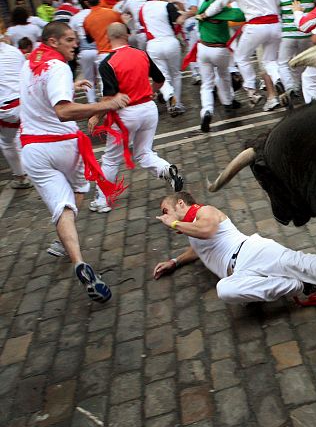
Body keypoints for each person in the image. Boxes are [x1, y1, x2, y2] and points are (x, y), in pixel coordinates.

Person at [19, 22, 130, 303]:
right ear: (53, 41)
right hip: (63, 147)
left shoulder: (32, 60)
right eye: (69, 40)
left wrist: (70, 85)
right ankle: (65, 242)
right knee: (79, 191)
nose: (75, 44)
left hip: (32, 151)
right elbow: (63, 111)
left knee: (61, 206)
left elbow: (40, 90)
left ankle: (78, 260)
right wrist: (106, 105)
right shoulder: (57, 66)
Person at [153, 191, 316, 306]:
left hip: (250, 251)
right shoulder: (189, 229)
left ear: (181, 204)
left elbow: (207, 231)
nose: (164, 217)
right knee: (225, 290)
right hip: (239, 273)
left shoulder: (205, 212)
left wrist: (173, 223)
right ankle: (301, 285)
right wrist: (175, 262)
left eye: (166, 210)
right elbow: (199, 248)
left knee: (298, 263)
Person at [87, 23, 183, 212]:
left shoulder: (107, 63)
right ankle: (166, 169)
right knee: (144, 152)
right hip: (148, 109)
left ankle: (102, 200)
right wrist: (152, 93)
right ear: (127, 35)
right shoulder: (142, 54)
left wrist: (96, 116)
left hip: (125, 114)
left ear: (108, 38)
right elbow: (160, 80)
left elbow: (108, 97)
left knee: (111, 159)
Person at [197, 0, 284, 111]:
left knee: (241, 56)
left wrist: (204, 15)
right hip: (275, 25)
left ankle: (252, 90)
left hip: (256, 27)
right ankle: (278, 77)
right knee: (269, 60)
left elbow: (218, 5)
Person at [194, 0, 245, 132]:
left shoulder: (204, 4)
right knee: (223, 76)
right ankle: (228, 103)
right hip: (218, 49)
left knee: (207, 84)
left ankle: (207, 110)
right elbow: (239, 15)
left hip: (203, 48)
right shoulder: (216, 5)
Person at [140, 0, 185, 115]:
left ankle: (170, 96)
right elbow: (179, 20)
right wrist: (188, 13)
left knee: (162, 76)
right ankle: (176, 102)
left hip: (153, 45)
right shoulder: (166, 5)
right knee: (175, 74)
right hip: (170, 41)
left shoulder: (142, 8)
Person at [278, 0, 316, 98]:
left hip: (288, 34)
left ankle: (291, 87)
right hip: (306, 34)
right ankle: (303, 85)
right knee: (305, 60)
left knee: (283, 63)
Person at [0, 28, 32, 189]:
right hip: (22, 102)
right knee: (22, 136)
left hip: (5, 108)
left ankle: (21, 176)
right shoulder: (14, 52)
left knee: (6, 142)